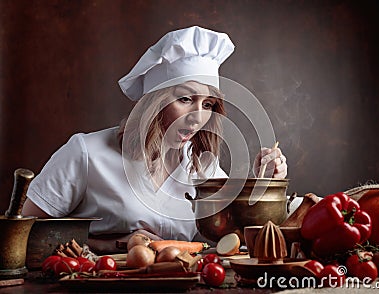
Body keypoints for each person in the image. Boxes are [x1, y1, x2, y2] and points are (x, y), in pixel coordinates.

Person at [22, 26, 287, 253]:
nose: (198, 118)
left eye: (208, 104)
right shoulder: (86, 153)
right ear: (152, 102)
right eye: (185, 99)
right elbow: (25, 235)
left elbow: (233, 238)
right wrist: (113, 244)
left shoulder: (203, 166)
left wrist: (264, 183)